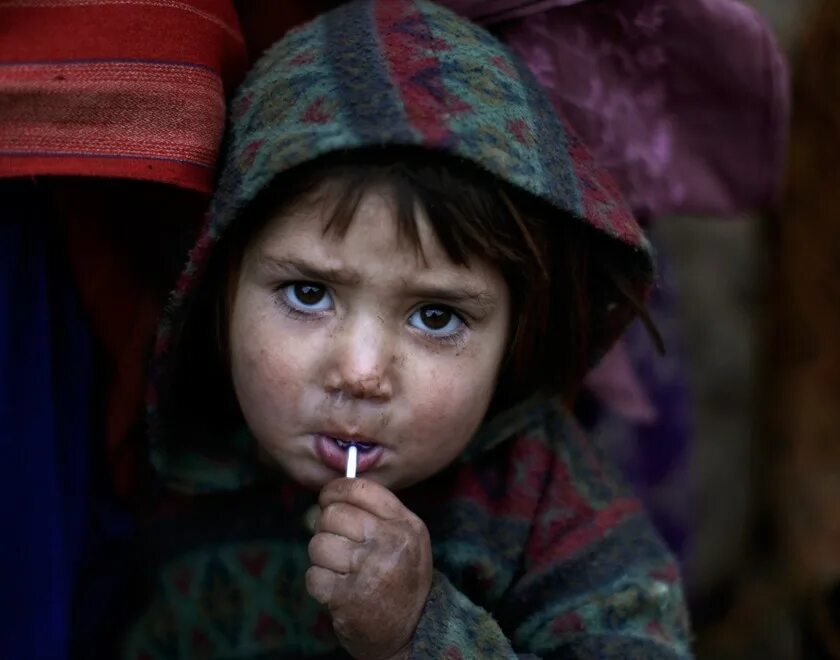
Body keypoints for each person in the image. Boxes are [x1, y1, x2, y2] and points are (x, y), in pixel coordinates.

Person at [116, 1, 691, 657]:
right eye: (308, 294)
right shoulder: (166, 465)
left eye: (436, 315)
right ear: (215, 287)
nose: (361, 372)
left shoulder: (545, 505)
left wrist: (422, 631)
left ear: (519, 335)